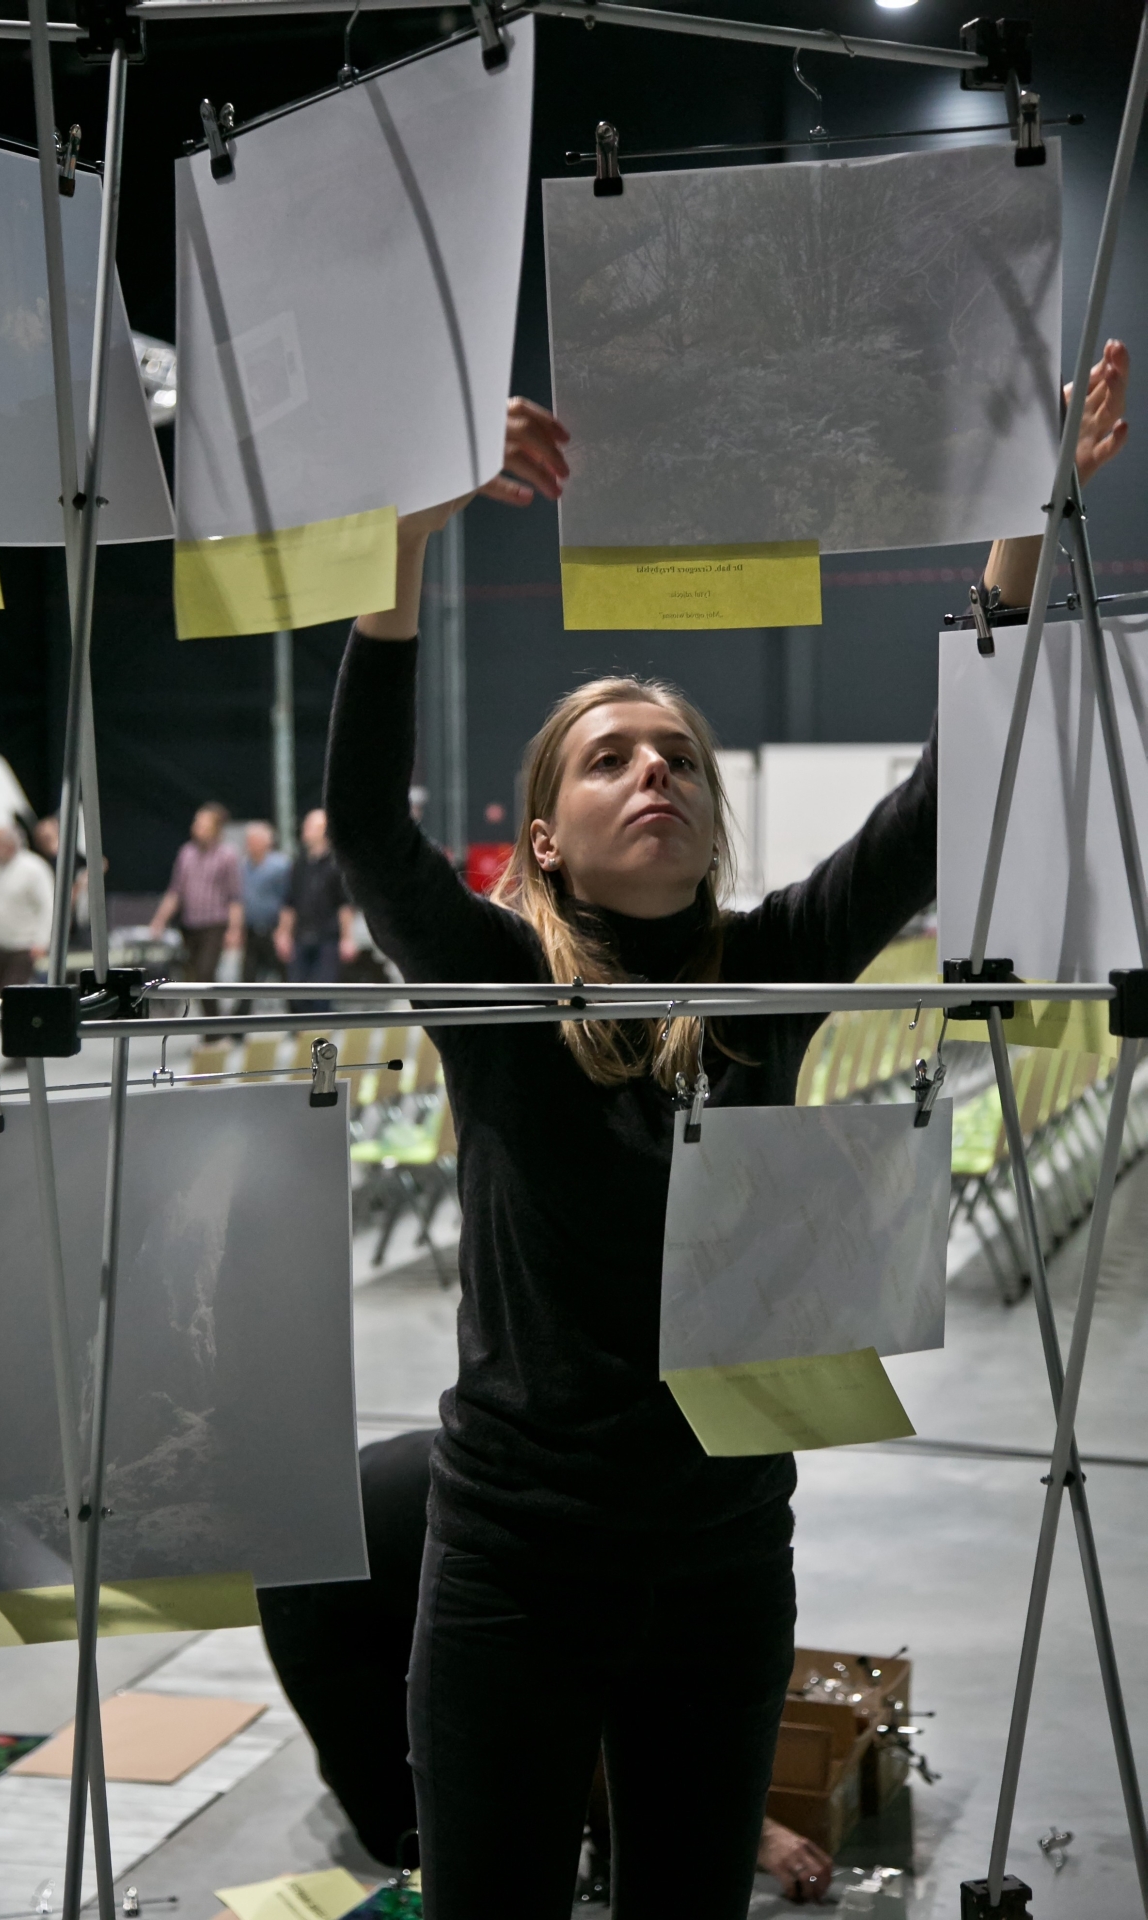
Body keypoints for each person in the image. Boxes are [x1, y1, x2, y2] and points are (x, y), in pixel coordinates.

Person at [323, 349, 1130, 1920]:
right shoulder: (498, 992)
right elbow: (365, 825)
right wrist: (404, 545)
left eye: (680, 757)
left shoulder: (771, 975)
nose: (657, 771)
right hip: (512, 1567)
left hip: (722, 1563)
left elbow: (942, 799)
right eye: (612, 757)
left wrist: (1027, 526)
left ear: (711, 821)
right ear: (547, 838)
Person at [260, 1427, 835, 1903]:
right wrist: (759, 1835)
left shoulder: (673, 1531)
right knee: (406, 1834)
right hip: (313, 1569)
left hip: (408, 1514)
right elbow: (592, 1707)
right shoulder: (584, 1547)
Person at [148, 802, 243, 1017]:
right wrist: (159, 920)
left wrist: (234, 929)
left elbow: (235, 897)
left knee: (205, 973)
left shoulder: (227, 855)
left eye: (203, 824)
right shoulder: (186, 853)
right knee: (194, 976)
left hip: (215, 924)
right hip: (190, 925)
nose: (197, 828)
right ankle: (208, 1022)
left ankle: (214, 1027)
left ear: (215, 828)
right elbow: (175, 892)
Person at [273, 807, 357, 992]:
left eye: (310, 826)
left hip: (328, 938)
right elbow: (290, 902)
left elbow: (344, 905)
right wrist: (283, 933)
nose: (305, 830)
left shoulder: (337, 865)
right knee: (297, 991)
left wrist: (347, 938)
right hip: (301, 936)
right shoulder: (299, 863)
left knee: (323, 992)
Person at [0, 826, 55, 990]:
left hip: (24, 947)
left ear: (9, 846)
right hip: (1, 946)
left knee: (12, 992)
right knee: (1, 991)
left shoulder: (33, 868)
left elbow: (48, 906)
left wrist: (42, 941)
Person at [241, 820, 292, 985]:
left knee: (283, 974)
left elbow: (288, 900)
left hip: (273, 928)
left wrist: (283, 930)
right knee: (248, 975)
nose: (250, 844)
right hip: (250, 929)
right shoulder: (243, 866)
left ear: (267, 842)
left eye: (254, 840)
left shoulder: (280, 866)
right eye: (248, 840)